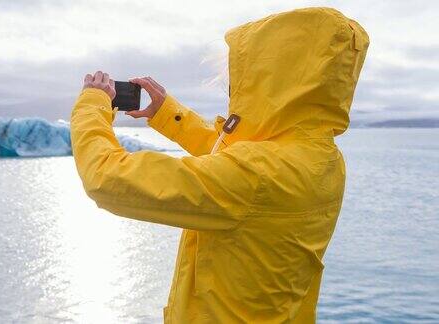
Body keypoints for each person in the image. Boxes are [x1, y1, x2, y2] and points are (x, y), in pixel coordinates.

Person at [69, 7, 368, 323]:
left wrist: (92, 104)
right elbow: (239, 160)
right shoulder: (322, 158)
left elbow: (107, 178)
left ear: (275, 77)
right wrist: (168, 114)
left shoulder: (256, 173)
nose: (232, 85)